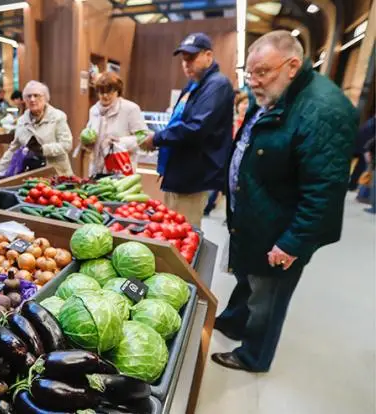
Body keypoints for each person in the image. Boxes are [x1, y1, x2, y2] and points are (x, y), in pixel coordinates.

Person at [212, 31, 358, 372]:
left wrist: (292, 243)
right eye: (250, 73)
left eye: (262, 72)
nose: (254, 81)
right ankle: (234, 321)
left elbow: (324, 190)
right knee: (248, 277)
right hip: (259, 214)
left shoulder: (323, 111)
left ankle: (253, 356)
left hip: (281, 228)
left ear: (292, 66)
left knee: (269, 294)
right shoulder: (274, 94)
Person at [141, 33, 234, 228]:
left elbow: (195, 128)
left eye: (191, 58)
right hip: (178, 172)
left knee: (184, 232)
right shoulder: (194, 85)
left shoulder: (217, 85)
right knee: (171, 228)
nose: (186, 64)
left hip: (192, 176)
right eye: (184, 59)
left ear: (208, 55)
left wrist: (157, 138)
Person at [0, 81, 74, 178]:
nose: (32, 99)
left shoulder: (58, 117)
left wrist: (43, 149)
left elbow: (67, 145)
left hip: (58, 174)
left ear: (45, 98)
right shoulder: (22, 121)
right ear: (24, 100)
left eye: (36, 95)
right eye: (28, 96)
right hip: (33, 175)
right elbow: (12, 151)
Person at [83, 72, 147, 176]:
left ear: (118, 91)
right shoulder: (94, 110)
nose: (105, 96)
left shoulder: (130, 109)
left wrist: (121, 142)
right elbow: (92, 137)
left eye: (110, 92)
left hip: (120, 169)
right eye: (101, 92)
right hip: (96, 170)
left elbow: (143, 136)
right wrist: (87, 143)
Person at [204, 91, 250, 216]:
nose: (245, 106)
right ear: (237, 105)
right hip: (224, 161)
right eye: (243, 103)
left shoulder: (251, 125)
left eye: (248, 103)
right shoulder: (230, 123)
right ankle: (208, 207)